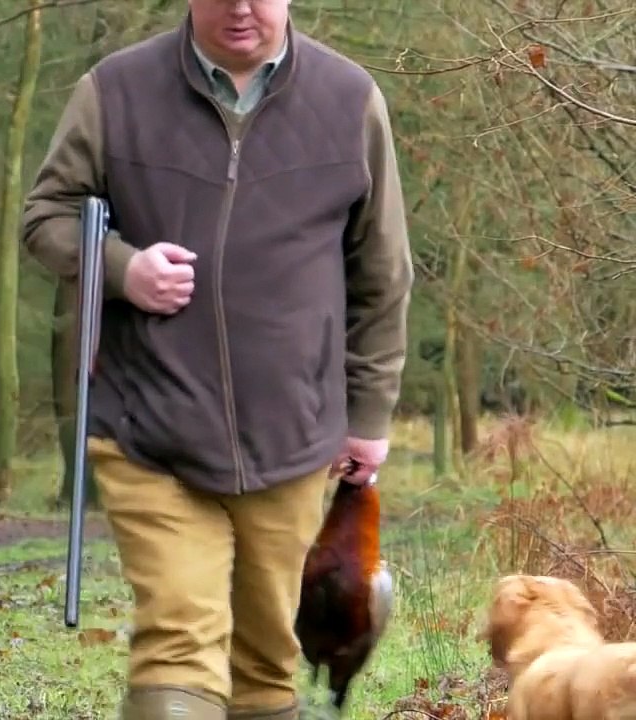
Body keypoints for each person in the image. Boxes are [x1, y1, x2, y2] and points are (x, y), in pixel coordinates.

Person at [21, 1, 413, 718]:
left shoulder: (350, 99)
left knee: (266, 663)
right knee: (177, 641)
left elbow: (382, 273)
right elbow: (47, 214)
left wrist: (369, 412)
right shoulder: (115, 90)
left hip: (293, 435)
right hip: (148, 428)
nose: (239, 6)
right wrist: (121, 267)